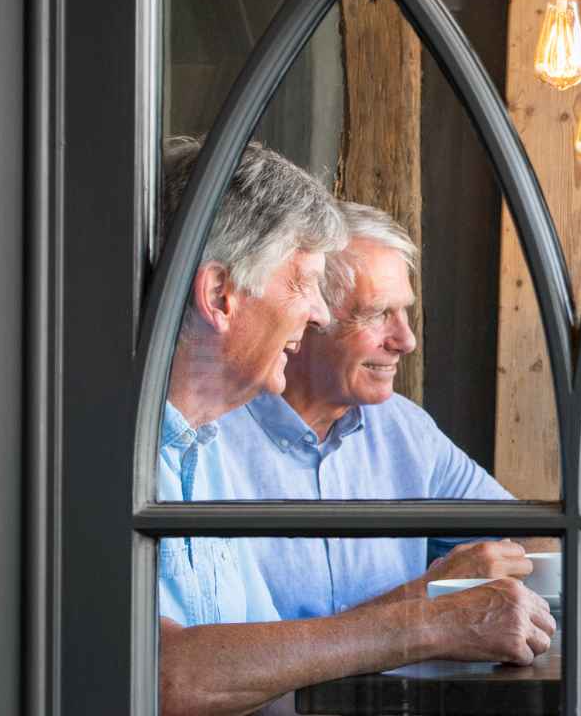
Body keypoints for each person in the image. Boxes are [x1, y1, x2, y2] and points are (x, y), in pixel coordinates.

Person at [154, 139, 553, 716]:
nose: (317, 313)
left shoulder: (200, 447)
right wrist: (428, 617)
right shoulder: (121, 448)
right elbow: (166, 673)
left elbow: (262, 672)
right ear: (220, 295)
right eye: (304, 283)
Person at [218, 200, 554, 617]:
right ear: (307, 317)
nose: (406, 339)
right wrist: (426, 596)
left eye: (404, 311)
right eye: (378, 314)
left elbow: (536, 540)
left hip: (407, 685)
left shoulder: (404, 427)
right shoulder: (210, 434)